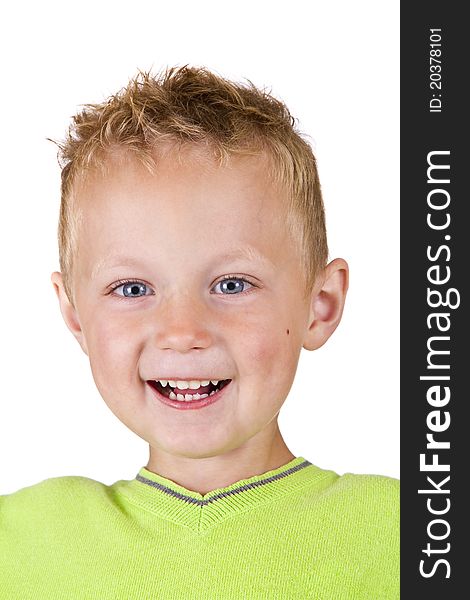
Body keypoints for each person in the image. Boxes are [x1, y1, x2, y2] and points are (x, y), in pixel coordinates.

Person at [0, 65, 399, 599]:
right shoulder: (22, 539)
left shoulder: (411, 534)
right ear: (75, 316)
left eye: (232, 284)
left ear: (321, 305)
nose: (182, 332)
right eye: (133, 289)